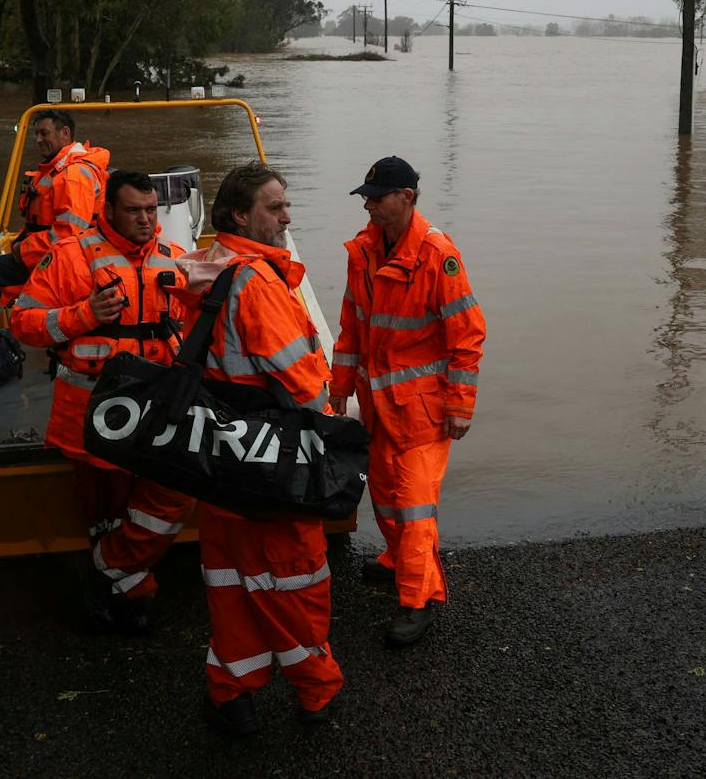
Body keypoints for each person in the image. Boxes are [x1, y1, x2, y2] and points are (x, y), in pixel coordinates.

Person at [174, 161, 342, 737]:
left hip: (219, 461)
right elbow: (304, 384)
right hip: (271, 464)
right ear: (240, 215)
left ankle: (231, 697)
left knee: (230, 583)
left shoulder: (204, 268)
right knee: (296, 579)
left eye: (286, 204)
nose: (287, 216)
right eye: (275, 207)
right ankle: (316, 695)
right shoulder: (260, 283)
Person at [9, 170, 195, 634]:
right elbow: (23, 322)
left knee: (171, 496)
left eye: (151, 211)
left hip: (156, 413)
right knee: (106, 518)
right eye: (133, 211)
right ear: (108, 210)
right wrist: (85, 314)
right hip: (92, 418)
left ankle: (108, 575)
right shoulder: (70, 258)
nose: (146, 220)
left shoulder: (175, 259)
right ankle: (127, 591)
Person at [329, 155, 485, 647]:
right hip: (377, 402)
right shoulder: (365, 253)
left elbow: (467, 336)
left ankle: (417, 600)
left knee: (414, 505)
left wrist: (460, 406)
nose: (369, 206)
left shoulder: (438, 256)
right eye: (366, 199)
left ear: (407, 199)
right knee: (385, 495)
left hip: (422, 409)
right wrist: (339, 388)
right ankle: (398, 562)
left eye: (376, 198)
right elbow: (352, 326)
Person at [0, 108, 111, 288]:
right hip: (48, 253)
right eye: (36, 134)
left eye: (44, 133)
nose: (38, 140)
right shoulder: (59, 169)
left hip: (64, 262)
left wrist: (23, 250)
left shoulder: (73, 176)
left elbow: (69, 234)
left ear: (65, 133)